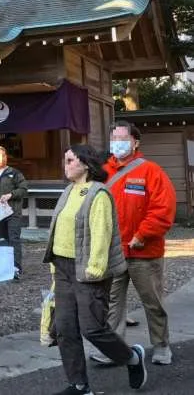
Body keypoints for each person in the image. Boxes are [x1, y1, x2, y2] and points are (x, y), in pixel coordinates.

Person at [44, 144, 147, 395]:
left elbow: (102, 234)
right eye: (65, 160)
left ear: (86, 165)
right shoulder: (68, 190)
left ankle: (132, 358)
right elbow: (58, 229)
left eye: (70, 160)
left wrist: (96, 268)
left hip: (88, 269)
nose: (65, 165)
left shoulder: (98, 193)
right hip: (63, 268)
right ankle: (79, 385)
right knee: (65, 330)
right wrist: (53, 264)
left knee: (93, 329)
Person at [89, 120, 176, 367]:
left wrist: (142, 235)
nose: (117, 143)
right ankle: (116, 351)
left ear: (135, 142)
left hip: (143, 251)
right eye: (113, 138)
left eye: (122, 138)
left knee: (153, 301)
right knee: (113, 303)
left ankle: (161, 346)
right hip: (113, 251)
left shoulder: (151, 171)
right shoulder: (102, 172)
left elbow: (163, 209)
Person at [0, 146, 28, 280]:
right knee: (3, 239)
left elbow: (24, 188)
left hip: (13, 211)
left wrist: (11, 195)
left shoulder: (14, 173)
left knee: (14, 238)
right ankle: (5, 266)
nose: (2, 158)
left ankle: (16, 267)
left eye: (4, 155)